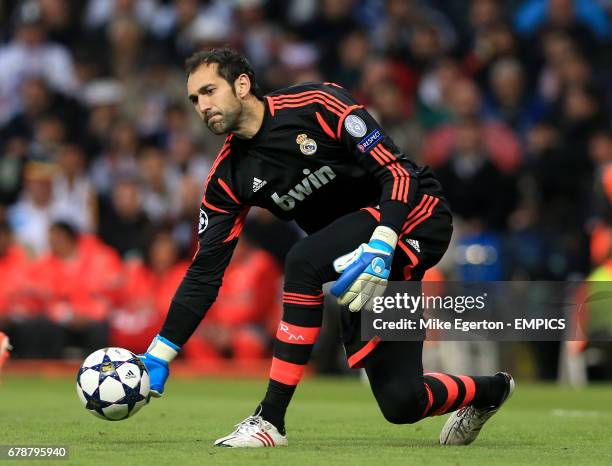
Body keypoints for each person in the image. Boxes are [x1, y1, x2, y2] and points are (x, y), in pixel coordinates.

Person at [139, 48, 514, 448]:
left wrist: (383, 241)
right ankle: (490, 392)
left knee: (302, 261)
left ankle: (270, 421)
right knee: (401, 402)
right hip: (357, 260)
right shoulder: (227, 179)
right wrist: (160, 353)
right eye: (195, 99)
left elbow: (397, 170)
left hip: (414, 216)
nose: (203, 105)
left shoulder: (318, 103)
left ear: (243, 85)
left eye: (209, 90)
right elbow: (204, 273)